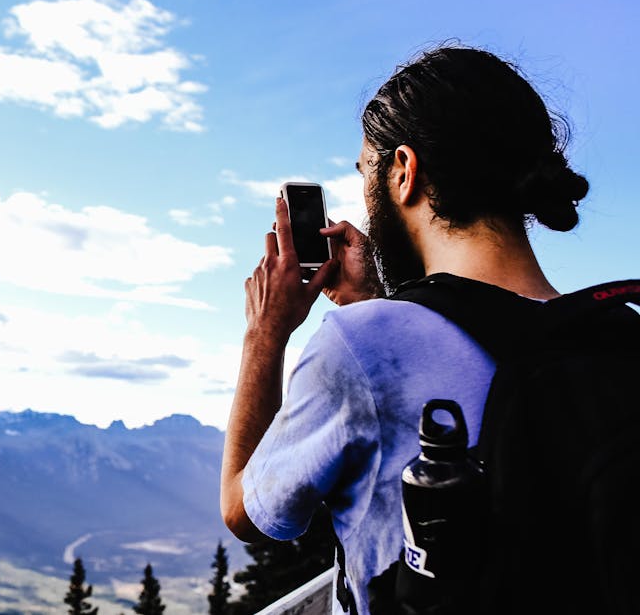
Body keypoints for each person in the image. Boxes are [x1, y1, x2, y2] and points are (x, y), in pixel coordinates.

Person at [218, 46, 591, 615]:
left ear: (404, 171)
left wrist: (264, 335)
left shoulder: (363, 344)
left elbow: (247, 513)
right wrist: (372, 302)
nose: (368, 198)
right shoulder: (609, 332)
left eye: (368, 171)